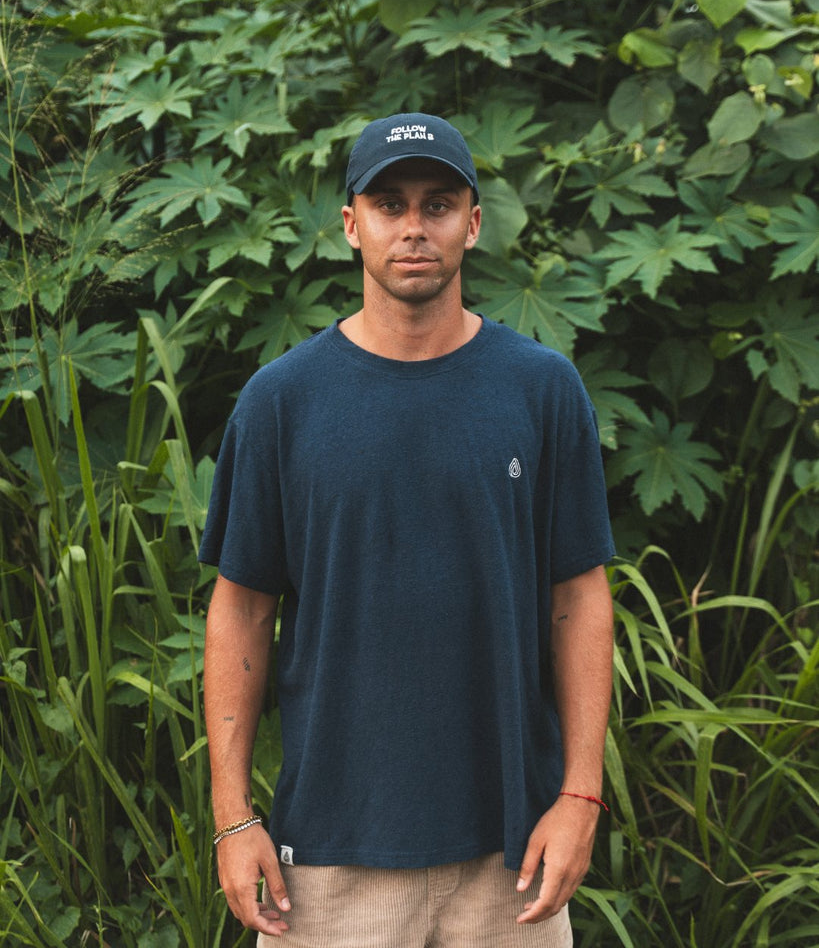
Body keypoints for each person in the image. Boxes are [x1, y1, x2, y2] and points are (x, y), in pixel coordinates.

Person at [200, 112, 615, 947]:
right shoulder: (281, 402)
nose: (414, 227)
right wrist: (232, 817)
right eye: (389, 205)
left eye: (437, 203)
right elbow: (239, 610)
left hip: (512, 856)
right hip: (324, 858)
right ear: (351, 226)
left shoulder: (541, 389)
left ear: (472, 221)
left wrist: (578, 798)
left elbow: (578, 600)